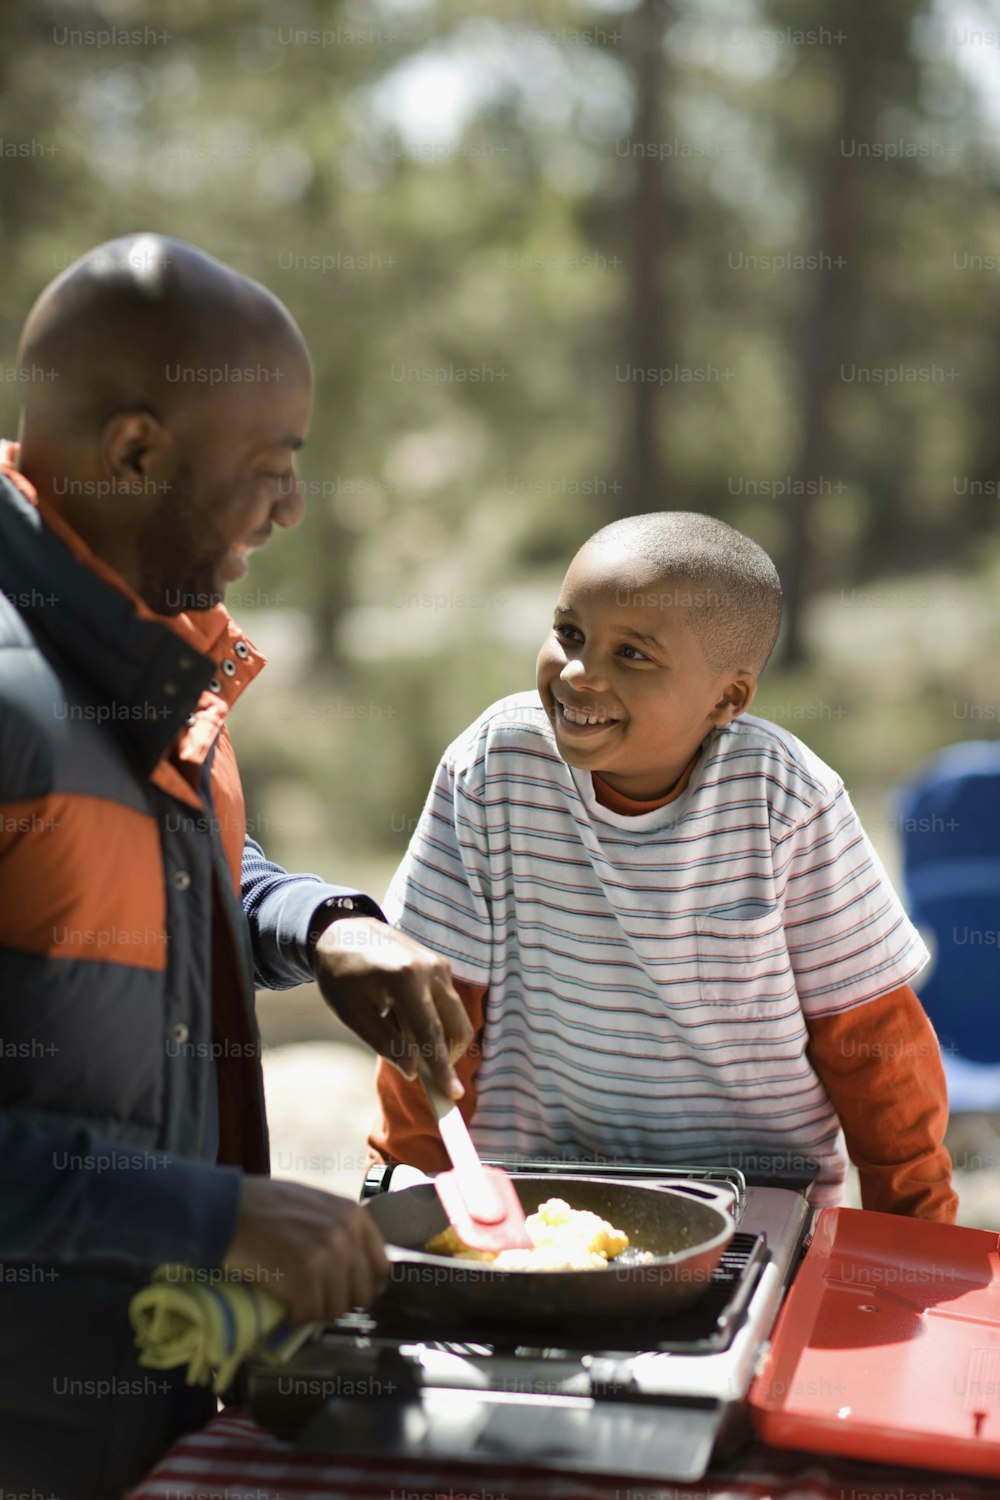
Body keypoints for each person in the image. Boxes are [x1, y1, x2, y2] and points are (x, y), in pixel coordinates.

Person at [0, 234, 472, 1499]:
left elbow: (169, 851)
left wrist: (315, 926)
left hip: (124, 1387)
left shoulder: (131, 638)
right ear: (138, 452)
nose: (293, 509)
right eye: (271, 470)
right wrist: (209, 1218)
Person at [370, 512, 957, 1222]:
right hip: (535, 1196)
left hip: (758, 1202)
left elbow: (872, 1041)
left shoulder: (784, 799)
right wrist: (403, 1189)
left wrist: (915, 1230)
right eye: (570, 634)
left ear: (727, 699)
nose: (580, 674)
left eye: (634, 656)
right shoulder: (493, 768)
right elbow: (436, 1014)